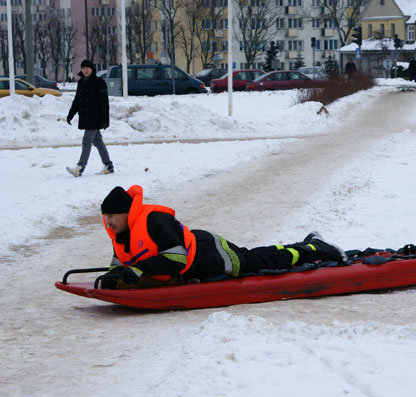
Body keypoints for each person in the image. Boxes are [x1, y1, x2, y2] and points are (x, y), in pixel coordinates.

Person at [98, 185, 347, 289]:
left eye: (112, 215)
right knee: (257, 257)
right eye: (106, 216)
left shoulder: (155, 221)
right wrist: (113, 279)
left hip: (209, 255)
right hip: (198, 258)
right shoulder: (122, 236)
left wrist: (140, 269)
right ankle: (311, 245)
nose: (108, 222)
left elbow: (176, 259)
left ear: (126, 212)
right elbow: (119, 266)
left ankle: (314, 248)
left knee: (259, 261)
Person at [66, 59, 114, 177]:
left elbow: (104, 103)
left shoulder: (99, 82)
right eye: (83, 68)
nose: (85, 70)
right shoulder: (81, 82)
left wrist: (105, 120)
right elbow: (77, 100)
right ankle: (108, 165)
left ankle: (80, 167)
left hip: (95, 117)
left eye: (88, 68)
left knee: (86, 141)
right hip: (86, 117)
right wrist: (71, 114)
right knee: (98, 141)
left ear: (92, 69)